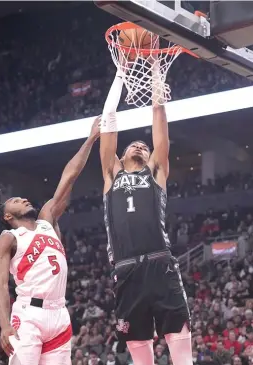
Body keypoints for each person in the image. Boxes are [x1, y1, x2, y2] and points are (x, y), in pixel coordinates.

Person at [99, 60, 191, 365]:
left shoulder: (156, 172)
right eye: (133, 145)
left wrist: (154, 70)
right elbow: (108, 118)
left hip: (159, 262)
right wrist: (121, 73)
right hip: (126, 270)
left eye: (144, 146)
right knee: (140, 353)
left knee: (178, 341)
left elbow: (158, 118)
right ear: (121, 156)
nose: (139, 146)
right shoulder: (111, 173)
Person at [0, 118, 100, 365]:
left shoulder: (47, 220)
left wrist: (91, 139)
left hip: (59, 313)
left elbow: (69, 177)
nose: (23, 199)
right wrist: (5, 325)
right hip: (29, 314)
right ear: (8, 216)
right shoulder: (8, 238)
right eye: (16, 200)